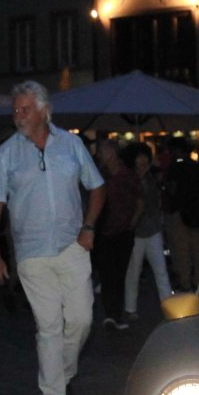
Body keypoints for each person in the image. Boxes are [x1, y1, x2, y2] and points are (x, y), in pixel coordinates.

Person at [0, 79, 104, 395]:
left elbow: (97, 187)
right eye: (15, 110)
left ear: (44, 111)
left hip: (72, 246)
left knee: (81, 320)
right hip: (31, 252)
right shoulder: (7, 154)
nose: (19, 115)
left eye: (25, 109)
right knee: (49, 325)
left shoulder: (71, 144)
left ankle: (62, 378)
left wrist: (89, 226)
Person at [123, 142, 173, 320]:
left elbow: (155, 204)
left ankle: (168, 305)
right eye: (139, 164)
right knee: (134, 272)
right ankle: (130, 308)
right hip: (137, 232)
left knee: (160, 270)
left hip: (151, 230)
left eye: (145, 164)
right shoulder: (131, 181)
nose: (142, 167)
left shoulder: (152, 180)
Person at [92, 141, 137, 330]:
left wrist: (131, 224)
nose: (99, 155)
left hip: (122, 232)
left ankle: (115, 313)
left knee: (118, 274)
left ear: (111, 153)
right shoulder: (99, 175)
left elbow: (139, 200)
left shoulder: (127, 175)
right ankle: (111, 314)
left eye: (102, 151)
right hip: (104, 231)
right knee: (106, 273)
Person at [163, 136, 199, 291]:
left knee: (181, 249)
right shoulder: (196, 165)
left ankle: (185, 281)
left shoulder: (176, 167)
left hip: (179, 211)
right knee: (196, 249)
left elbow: (172, 189)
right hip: (196, 211)